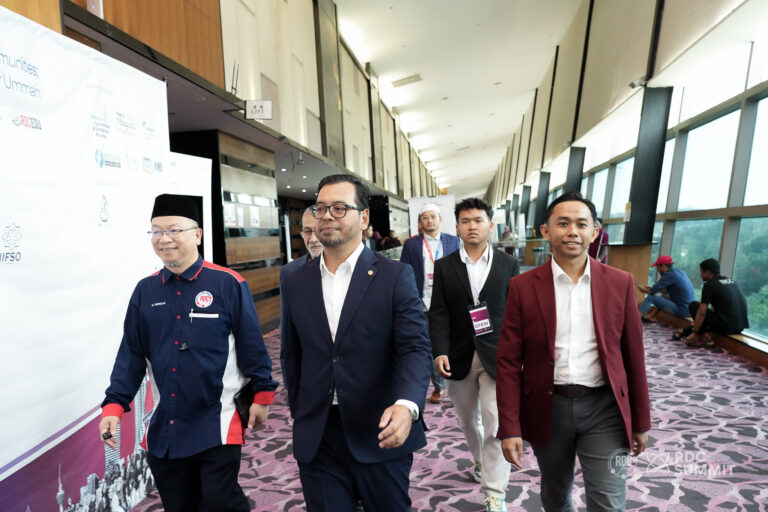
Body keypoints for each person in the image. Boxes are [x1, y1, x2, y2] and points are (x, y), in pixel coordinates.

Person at [99, 194, 278, 512]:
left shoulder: (227, 283)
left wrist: (263, 395)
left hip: (217, 420)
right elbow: (131, 354)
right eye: (156, 231)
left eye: (174, 230)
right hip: (166, 424)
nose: (164, 238)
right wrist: (115, 404)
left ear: (197, 234)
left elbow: (252, 344)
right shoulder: (145, 291)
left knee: (221, 503)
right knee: (179, 505)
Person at [280, 174, 432, 511]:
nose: (327, 216)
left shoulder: (394, 276)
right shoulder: (295, 279)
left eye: (339, 208)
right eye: (320, 208)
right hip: (318, 434)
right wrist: (300, 412)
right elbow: (292, 353)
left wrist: (407, 404)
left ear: (363, 218)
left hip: (380, 427)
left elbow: (414, 347)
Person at [497, 192, 650, 512]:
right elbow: (509, 362)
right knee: (555, 494)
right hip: (548, 406)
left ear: (595, 232)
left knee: (609, 502)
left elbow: (634, 357)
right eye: (563, 223)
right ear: (546, 231)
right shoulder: (523, 287)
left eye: (582, 224)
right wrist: (509, 426)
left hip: (605, 408)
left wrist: (640, 421)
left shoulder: (620, 282)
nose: (573, 232)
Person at [429, 198, 520, 512]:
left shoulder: (508, 264)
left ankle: (495, 494)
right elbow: (438, 313)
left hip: (498, 355)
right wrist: (439, 351)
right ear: (457, 227)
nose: (472, 226)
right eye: (465, 221)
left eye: (478, 220)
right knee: (468, 420)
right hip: (459, 354)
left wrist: (518, 354)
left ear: (490, 225)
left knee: (496, 424)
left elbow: (516, 313)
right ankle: (480, 460)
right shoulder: (445, 266)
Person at [400, 203, 461, 403]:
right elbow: (404, 272)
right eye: (425, 217)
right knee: (429, 345)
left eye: (433, 217)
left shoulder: (453, 241)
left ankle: (457, 381)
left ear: (440, 219)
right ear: (420, 221)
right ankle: (439, 386)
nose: (429, 221)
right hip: (422, 302)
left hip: (449, 300)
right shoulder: (411, 244)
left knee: (454, 342)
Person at [681, 258, 749, 348]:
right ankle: (698, 331)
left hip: (725, 328)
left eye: (701, 272)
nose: (700, 274)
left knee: (693, 305)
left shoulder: (709, 285)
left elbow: (702, 312)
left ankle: (705, 335)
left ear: (707, 272)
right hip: (740, 327)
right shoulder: (732, 282)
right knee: (704, 318)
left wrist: (695, 332)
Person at [636, 255, 696, 322]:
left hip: (682, 310)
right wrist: (650, 288)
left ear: (663, 266)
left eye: (657, 267)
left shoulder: (668, 275)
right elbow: (664, 291)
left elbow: (651, 292)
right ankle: (650, 316)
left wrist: (642, 289)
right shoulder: (678, 272)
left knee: (651, 297)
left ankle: (636, 319)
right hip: (689, 309)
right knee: (663, 296)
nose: (657, 270)